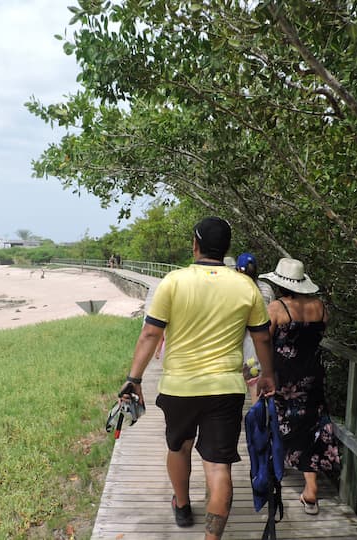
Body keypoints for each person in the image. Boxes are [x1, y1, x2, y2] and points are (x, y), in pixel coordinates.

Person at [118, 217, 275, 540]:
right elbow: (262, 339)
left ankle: (183, 504)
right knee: (219, 467)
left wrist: (134, 378)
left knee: (179, 447)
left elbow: (150, 333)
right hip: (226, 388)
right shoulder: (246, 286)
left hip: (179, 386)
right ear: (226, 248)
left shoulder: (174, 281)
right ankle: (211, 538)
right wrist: (268, 376)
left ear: (195, 244)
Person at [259, 257, 340, 516]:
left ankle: (272, 476)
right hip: (313, 376)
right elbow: (319, 334)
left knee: (277, 424)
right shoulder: (320, 307)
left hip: (284, 377)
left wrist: (264, 372)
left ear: (280, 284)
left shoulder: (276, 308)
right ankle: (311, 490)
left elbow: (264, 341)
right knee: (311, 428)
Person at [235, 252, 275, 403]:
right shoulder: (266, 289)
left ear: (238, 270)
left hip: (240, 345)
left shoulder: (236, 289)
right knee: (256, 395)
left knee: (236, 391)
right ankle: (259, 423)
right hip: (259, 347)